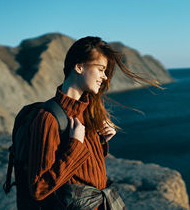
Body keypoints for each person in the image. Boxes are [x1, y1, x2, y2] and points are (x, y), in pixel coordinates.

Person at [27, 36, 163, 209]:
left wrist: (100, 141)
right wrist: (76, 144)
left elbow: (81, 172)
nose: (105, 77)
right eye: (100, 69)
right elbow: (38, 189)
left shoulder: (87, 111)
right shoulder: (48, 118)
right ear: (79, 67)